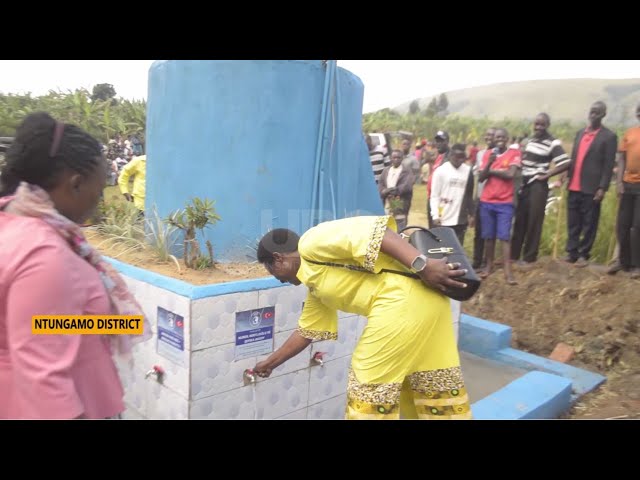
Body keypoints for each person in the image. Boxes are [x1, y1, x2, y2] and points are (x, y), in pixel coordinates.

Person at [0, 112, 151, 419]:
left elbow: (37, 324)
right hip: (76, 405)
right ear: (76, 184)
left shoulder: (14, 220)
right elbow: (42, 377)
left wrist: (118, 323)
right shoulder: (44, 254)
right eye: (99, 191)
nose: (100, 201)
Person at [252, 215, 473, 420]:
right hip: (431, 305)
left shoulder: (312, 242)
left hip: (402, 303)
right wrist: (270, 363)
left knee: (368, 388)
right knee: (429, 385)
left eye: (270, 270)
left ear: (278, 259)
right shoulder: (316, 286)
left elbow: (376, 233)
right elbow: (306, 332)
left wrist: (422, 265)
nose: (277, 279)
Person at [608, 102, 640, 279]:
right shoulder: (630, 133)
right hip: (627, 185)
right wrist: (619, 182)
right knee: (623, 225)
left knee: (638, 226)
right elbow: (621, 159)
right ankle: (622, 262)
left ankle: (636, 265)